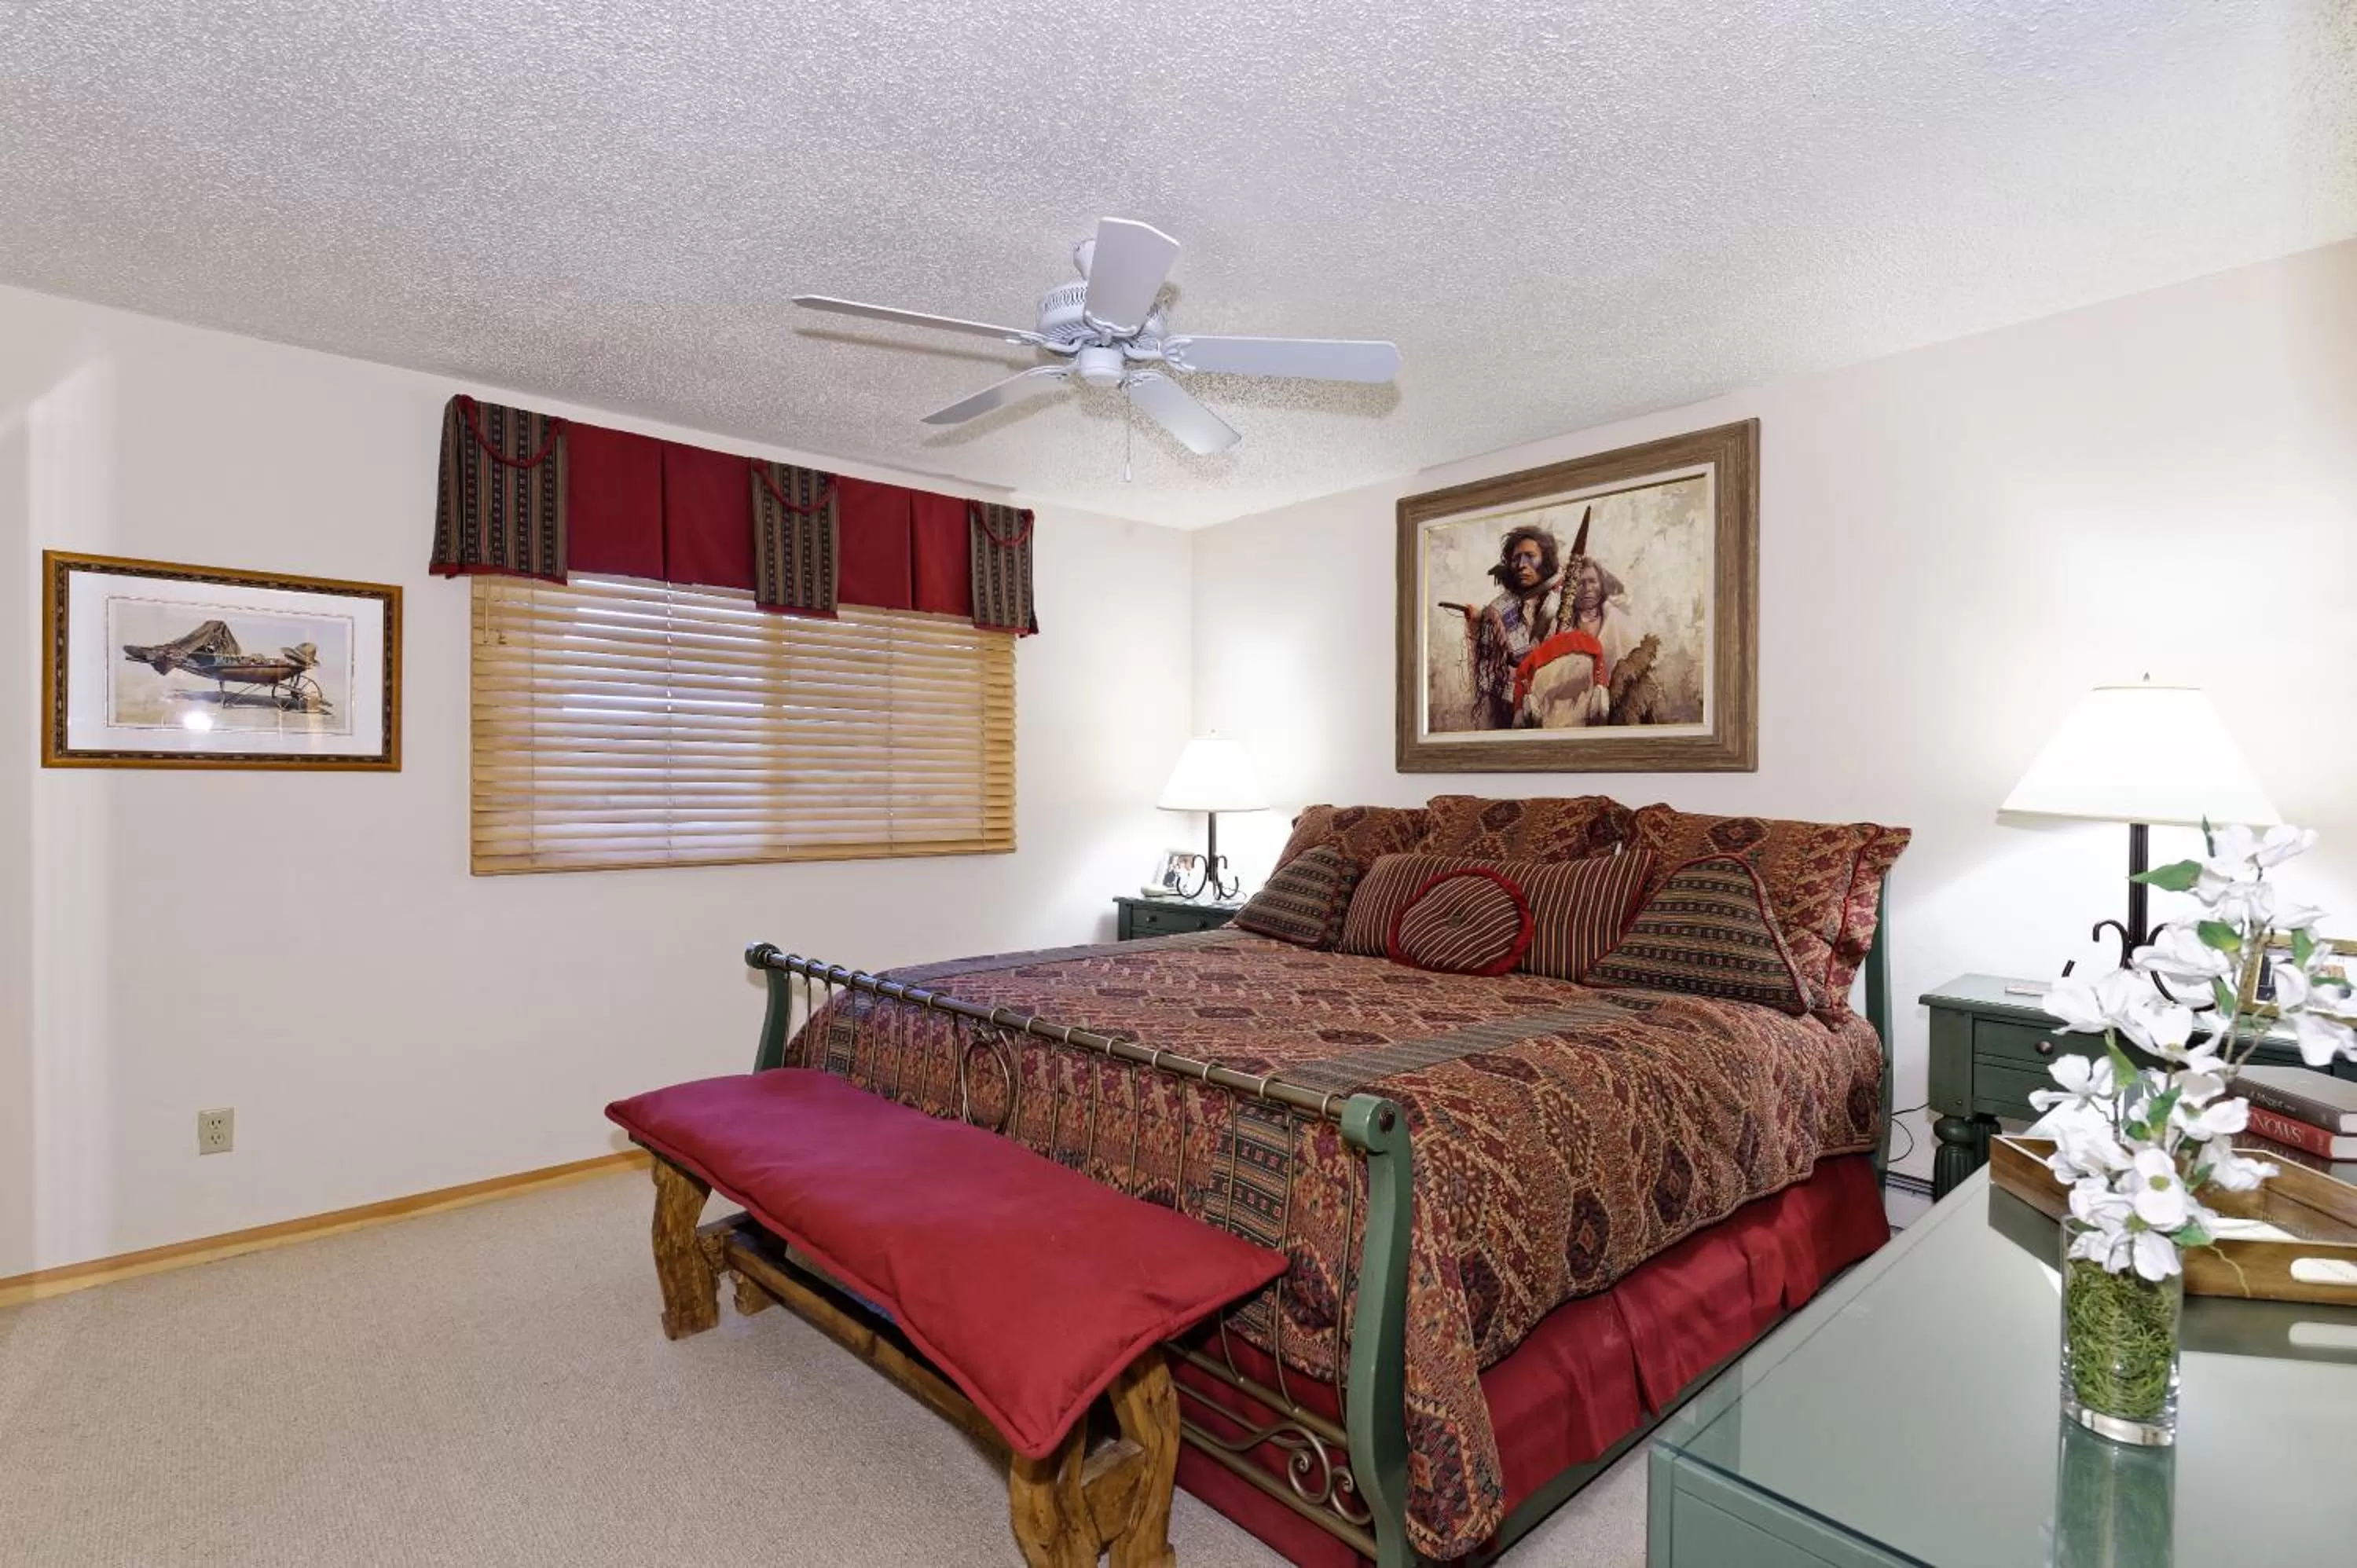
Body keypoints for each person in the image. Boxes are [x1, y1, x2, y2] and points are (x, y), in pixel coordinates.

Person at [1461, 523, 1563, 729]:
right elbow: (1489, 674)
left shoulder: (1563, 600)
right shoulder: (1499, 609)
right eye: (1516, 558)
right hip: (1509, 708)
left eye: (1530, 556)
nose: (1522, 565)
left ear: (1545, 560)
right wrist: (1478, 625)